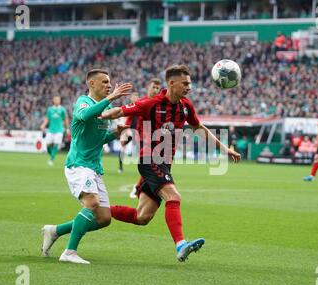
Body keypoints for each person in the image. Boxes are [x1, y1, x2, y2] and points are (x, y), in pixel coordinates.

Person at [101, 65, 241, 262]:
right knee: (173, 197)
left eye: (190, 83)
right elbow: (119, 111)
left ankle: (99, 209)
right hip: (150, 160)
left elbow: (199, 129)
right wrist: (98, 113)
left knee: (142, 217)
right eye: (185, 83)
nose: (189, 87)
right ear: (171, 83)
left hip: (164, 164)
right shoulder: (151, 103)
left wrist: (225, 149)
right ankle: (181, 245)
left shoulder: (185, 106)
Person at [40, 69, 133, 264]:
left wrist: (116, 133)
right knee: (92, 203)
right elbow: (83, 116)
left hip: (94, 167)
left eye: (110, 82)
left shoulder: (101, 108)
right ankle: (69, 252)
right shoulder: (84, 101)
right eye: (105, 82)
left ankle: (55, 231)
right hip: (78, 165)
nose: (109, 85)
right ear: (92, 84)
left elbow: (98, 139)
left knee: (104, 218)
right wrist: (113, 97)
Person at [122, 78, 162, 198]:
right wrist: (125, 131)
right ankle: (138, 188)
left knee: (153, 165)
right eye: (153, 87)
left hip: (158, 139)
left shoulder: (160, 103)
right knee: (149, 164)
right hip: (143, 138)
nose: (155, 90)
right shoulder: (141, 102)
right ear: (148, 87)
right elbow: (129, 115)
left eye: (157, 88)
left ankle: (143, 188)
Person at [40, 96, 69, 166]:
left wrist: (67, 128)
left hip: (59, 130)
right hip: (51, 130)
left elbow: (65, 119)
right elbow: (47, 119)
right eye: (56, 99)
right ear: (53, 100)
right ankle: (52, 155)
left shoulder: (62, 109)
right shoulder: (50, 109)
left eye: (58, 99)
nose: (57, 100)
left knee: (56, 144)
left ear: (60, 100)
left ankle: (51, 159)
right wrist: (43, 125)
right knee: (48, 145)